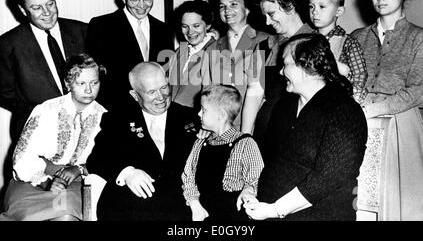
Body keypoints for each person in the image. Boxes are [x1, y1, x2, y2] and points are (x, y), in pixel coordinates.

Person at [242, 34, 367, 221]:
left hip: (317, 214)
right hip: (266, 209)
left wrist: (275, 210)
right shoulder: (284, 107)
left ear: (308, 66)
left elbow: (329, 177)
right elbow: (266, 157)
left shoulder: (345, 111)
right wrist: (250, 187)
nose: (281, 72)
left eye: (286, 64)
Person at [351, 0, 423, 220]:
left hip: (401, 125)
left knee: (400, 206)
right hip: (360, 123)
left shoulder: (418, 37)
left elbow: (418, 91)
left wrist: (373, 108)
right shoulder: (357, 37)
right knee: (363, 205)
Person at [86, 62, 199, 220]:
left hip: (179, 205)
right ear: (135, 95)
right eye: (152, 92)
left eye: (164, 87)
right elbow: (97, 159)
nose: (161, 97)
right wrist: (127, 173)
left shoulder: (190, 117)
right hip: (130, 206)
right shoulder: (118, 119)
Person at [0, 54, 106, 221]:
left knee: (65, 214)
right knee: (28, 216)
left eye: (94, 83)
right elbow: (21, 159)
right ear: (67, 83)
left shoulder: (105, 117)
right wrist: (51, 178)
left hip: (76, 185)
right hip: (32, 182)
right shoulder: (46, 110)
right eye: (81, 83)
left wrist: (79, 170)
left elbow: (108, 160)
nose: (89, 90)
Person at [0, 0, 87, 141]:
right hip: (37, 133)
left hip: (86, 130)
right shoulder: (7, 45)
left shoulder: (83, 31)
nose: (47, 12)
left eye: (50, 4)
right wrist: (44, 112)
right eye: (37, 8)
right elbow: (5, 95)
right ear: (22, 9)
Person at [86, 0, 175, 112]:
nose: (142, 6)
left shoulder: (163, 30)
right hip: (118, 111)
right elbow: (97, 77)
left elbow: (167, 74)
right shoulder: (102, 26)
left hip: (157, 111)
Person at [182, 85, 264, 221]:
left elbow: (255, 178)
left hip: (231, 215)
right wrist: (195, 204)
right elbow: (188, 176)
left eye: (203, 110)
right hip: (199, 211)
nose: (198, 114)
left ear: (221, 115)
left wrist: (248, 191)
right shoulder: (200, 143)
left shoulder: (245, 143)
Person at [253, 0, 314, 142]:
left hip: (297, 135)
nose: (267, 22)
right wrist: (245, 138)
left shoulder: (315, 42)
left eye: (271, 14)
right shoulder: (262, 46)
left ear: (290, 5)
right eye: (264, 16)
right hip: (264, 133)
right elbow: (253, 95)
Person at [202, 0, 268, 133]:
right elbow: (208, 91)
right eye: (222, 6)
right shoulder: (212, 48)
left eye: (233, 4)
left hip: (258, 125)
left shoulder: (264, 41)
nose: (227, 10)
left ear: (247, 9)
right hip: (223, 127)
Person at [309, 0, 367, 104]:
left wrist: (353, 100)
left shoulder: (348, 42)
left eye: (322, 7)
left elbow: (360, 75)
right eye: (311, 6)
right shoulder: (307, 40)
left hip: (338, 100)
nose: (314, 11)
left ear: (339, 11)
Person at [168, 0, 217, 109]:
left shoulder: (216, 51)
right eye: (185, 26)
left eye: (196, 25)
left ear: (208, 25)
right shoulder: (180, 51)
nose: (190, 32)